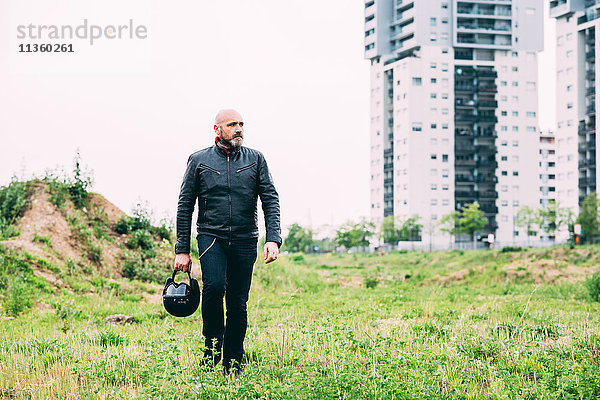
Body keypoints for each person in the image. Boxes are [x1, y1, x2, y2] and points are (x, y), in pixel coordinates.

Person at [174, 109, 281, 374]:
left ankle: (233, 360)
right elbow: (185, 205)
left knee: (237, 301)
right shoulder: (198, 160)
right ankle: (211, 351)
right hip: (212, 236)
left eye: (242, 124)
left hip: (246, 239)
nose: (239, 128)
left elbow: (270, 199)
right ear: (217, 129)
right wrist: (182, 250)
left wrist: (273, 239)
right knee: (213, 288)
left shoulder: (256, 159)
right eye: (232, 124)